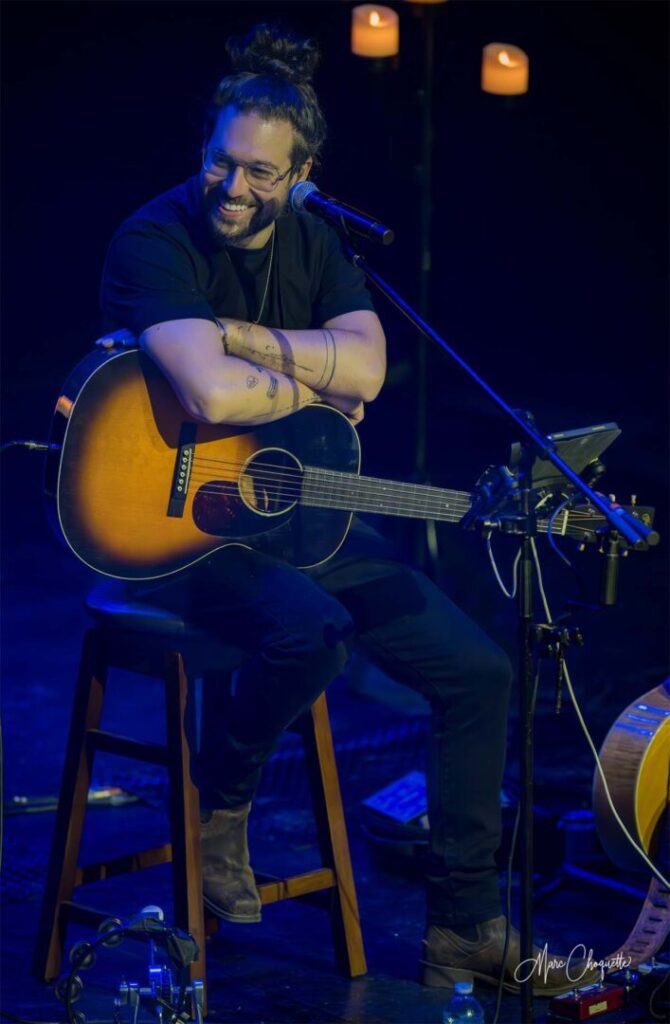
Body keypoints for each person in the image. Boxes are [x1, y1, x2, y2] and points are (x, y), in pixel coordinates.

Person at [100, 23, 592, 995]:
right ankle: (218, 803)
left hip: (294, 520)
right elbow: (209, 393)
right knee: (314, 631)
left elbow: (369, 369)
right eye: (220, 162)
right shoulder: (153, 238)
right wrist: (311, 379)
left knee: (479, 671)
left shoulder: (319, 241)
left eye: (260, 174)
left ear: (303, 177)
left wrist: (251, 343)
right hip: (172, 526)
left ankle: (464, 925)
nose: (233, 188)